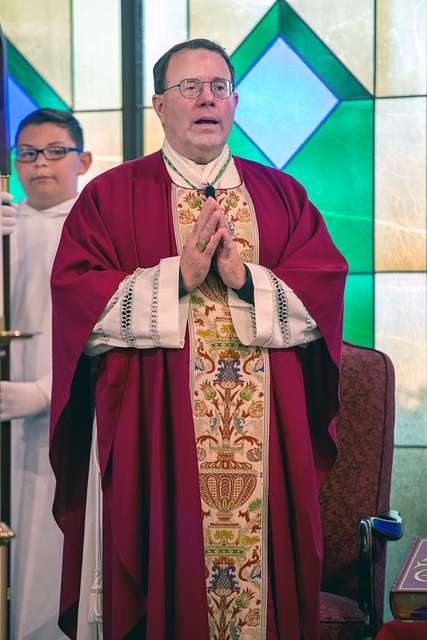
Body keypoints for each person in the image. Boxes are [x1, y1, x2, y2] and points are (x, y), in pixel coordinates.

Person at [50, 39, 348, 640]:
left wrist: (244, 281)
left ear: (235, 102)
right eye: (189, 88)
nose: (206, 99)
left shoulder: (282, 196)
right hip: (157, 436)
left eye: (218, 87)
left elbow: (323, 301)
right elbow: (75, 302)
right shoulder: (110, 197)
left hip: (268, 444)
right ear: (159, 105)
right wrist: (174, 280)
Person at [0, 108, 92, 639]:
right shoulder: (9, 222)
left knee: (52, 562)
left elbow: (109, 337)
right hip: (5, 425)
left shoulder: (97, 231)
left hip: (70, 423)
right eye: (28, 153)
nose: (41, 164)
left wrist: (43, 393)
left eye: (55, 151)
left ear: (83, 159)